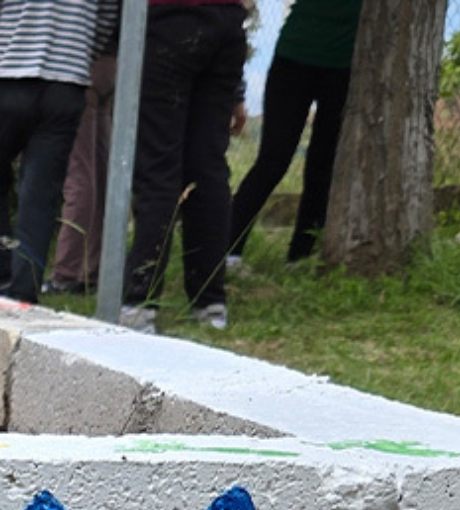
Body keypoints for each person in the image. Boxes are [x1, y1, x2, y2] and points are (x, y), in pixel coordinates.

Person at [0, 0, 118, 299]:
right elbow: (107, 15)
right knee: (41, 193)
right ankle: (24, 287)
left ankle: (3, 273)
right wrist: (82, 53)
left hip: (6, 75)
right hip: (67, 83)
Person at [118, 0, 251, 332]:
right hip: (227, 22)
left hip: (168, 19)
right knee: (208, 167)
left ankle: (140, 302)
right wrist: (237, 91)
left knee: (158, 166)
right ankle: (210, 303)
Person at [227, 0, 360, 266]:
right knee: (273, 160)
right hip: (294, 59)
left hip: (343, 69)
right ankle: (228, 249)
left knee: (323, 164)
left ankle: (301, 255)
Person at [46, 53, 114, 295]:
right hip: (113, 63)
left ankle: (66, 273)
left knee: (79, 175)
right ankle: (92, 271)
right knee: (100, 171)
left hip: (84, 64)